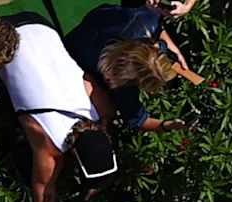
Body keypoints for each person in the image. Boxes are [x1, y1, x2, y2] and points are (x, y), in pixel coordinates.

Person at [0, 18, 106, 202]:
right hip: (2, 35)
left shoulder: (99, 106)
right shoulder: (49, 151)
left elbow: (102, 123)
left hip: (40, 23)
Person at [64, 0, 196, 131]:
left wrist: (175, 51)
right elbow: (139, 120)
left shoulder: (149, 17)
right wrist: (170, 125)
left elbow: (158, 31)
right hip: (72, 59)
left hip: (87, 28)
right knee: (108, 110)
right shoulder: (122, 85)